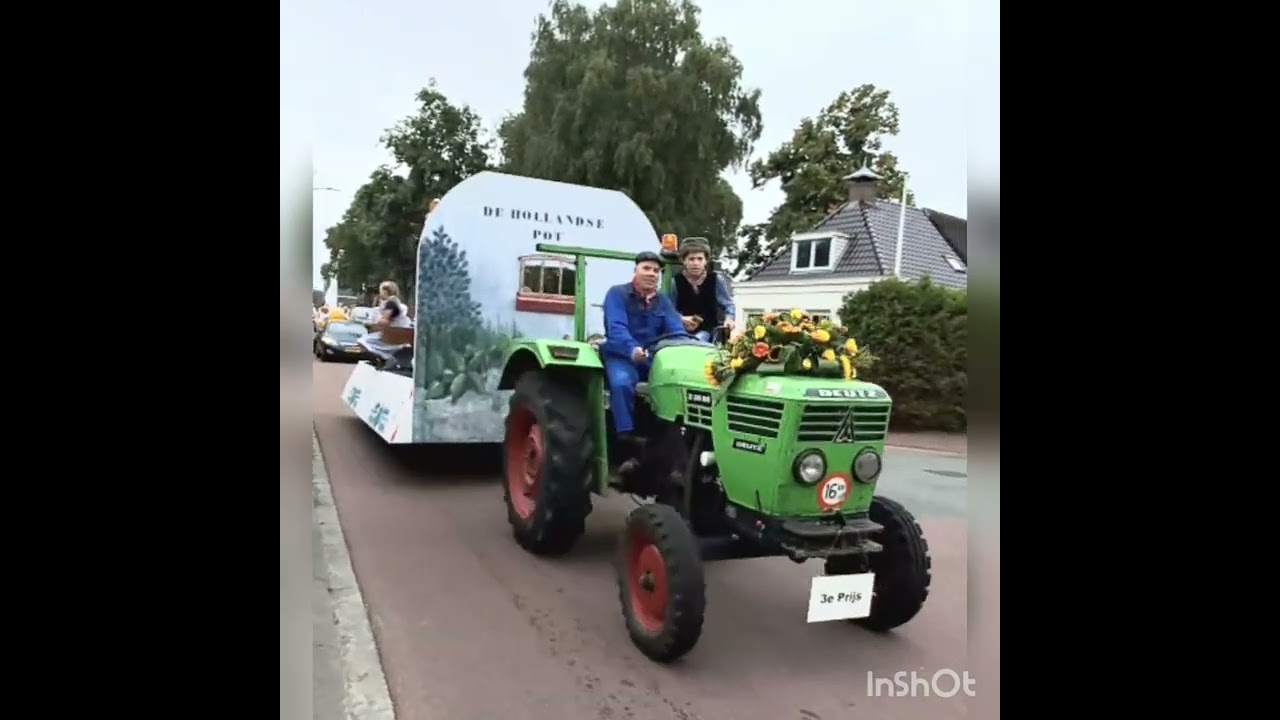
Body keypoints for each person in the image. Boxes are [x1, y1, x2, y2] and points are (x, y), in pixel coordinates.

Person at [602, 252, 686, 441]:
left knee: (674, 384)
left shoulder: (663, 301)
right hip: (622, 356)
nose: (651, 274)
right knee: (622, 384)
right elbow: (616, 329)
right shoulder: (617, 294)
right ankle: (625, 437)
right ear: (635, 271)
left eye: (656, 270)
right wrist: (632, 349)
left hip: (651, 358)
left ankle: (670, 437)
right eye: (646, 268)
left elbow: (676, 331)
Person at [667, 237, 735, 343]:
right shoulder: (676, 281)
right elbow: (669, 310)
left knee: (701, 338)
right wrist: (682, 319)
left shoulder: (715, 280)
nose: (695, 263)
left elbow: (728, 304)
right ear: (684, 261)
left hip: (710, 334)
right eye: (691, 259)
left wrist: (729, 318)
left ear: (706, 261)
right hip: (681, 333)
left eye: (700, 259)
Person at [357, 281, 414, 363]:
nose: (380, 293)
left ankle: (385, 357)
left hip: (391, 333)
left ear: (386, 291)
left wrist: (371, 324)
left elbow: (385, 320)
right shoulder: (395, 302)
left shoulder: (391, 303)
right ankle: (384, 358)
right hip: (396, 332)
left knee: (363, 341)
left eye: (380, 290)